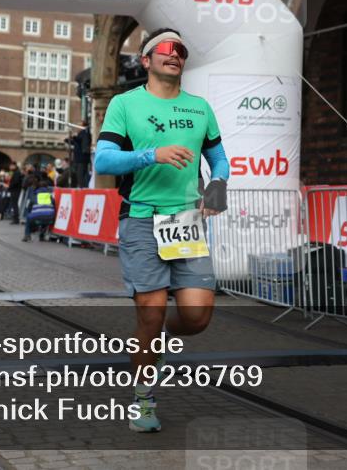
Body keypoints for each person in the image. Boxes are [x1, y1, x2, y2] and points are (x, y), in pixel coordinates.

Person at [94, 28, 229, 433]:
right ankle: (143, 399)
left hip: (186, 224)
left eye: (181, 50)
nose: (175, 54)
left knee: (197, 316)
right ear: (146, 59)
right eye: (165, 49)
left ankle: (155, 343)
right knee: (149, 317)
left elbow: (219, 159)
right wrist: (152, 154)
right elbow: (104, 160)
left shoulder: (200, 108)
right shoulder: (124, 104)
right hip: (141, 221)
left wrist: (218, 185)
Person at [21, 178, 56, 242]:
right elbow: (53, 204)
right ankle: (42, 236)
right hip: (50, 218)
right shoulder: (50, 195)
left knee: (29, 217)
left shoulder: (35, 195)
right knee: (45, 215)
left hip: (37, 216)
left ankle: (27, 235)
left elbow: (29, 207)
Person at [70, 121, 92, 187]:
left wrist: (74, 137)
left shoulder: (84, 133)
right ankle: (81, 186)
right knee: (79, 175)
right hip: (79, 159)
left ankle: (82, 188)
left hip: (81, 159)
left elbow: (81, 141)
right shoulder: (82, 133)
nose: (77, 127)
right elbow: (78, 143)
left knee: (81, 176)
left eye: (79, 125)